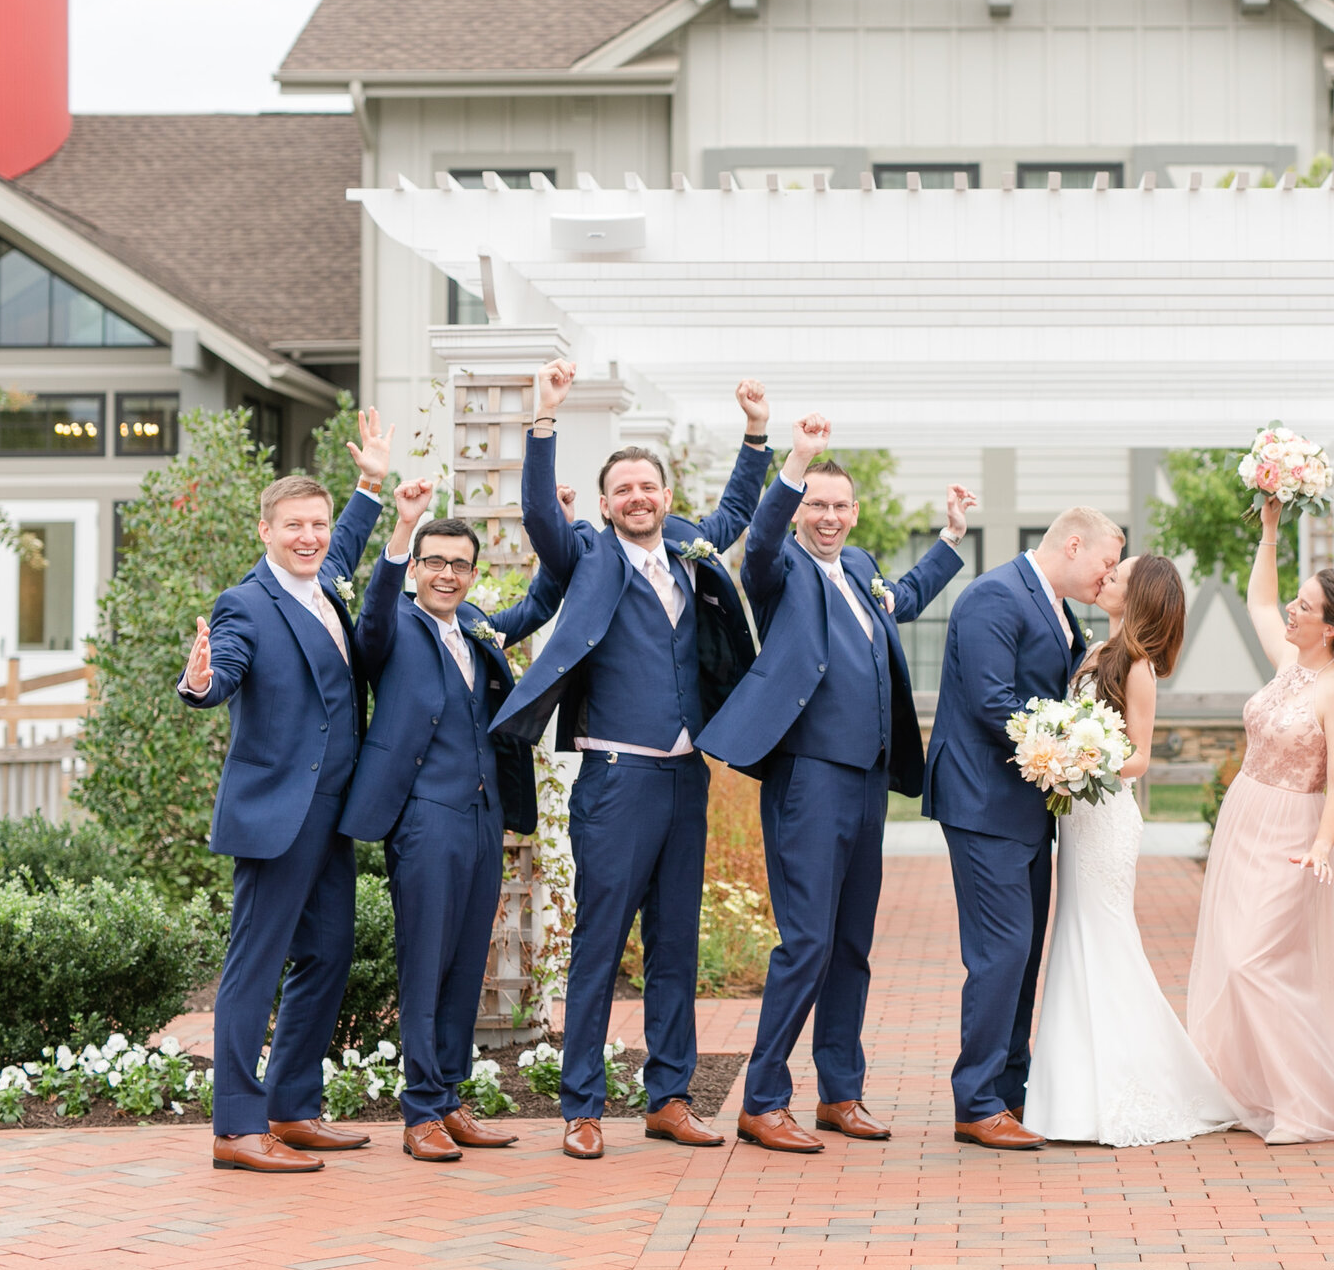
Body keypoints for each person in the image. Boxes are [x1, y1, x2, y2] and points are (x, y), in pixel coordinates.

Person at [499, 361, 775, 1160]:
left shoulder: (688, 546)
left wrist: (756, 434)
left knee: (675, 947)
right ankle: (581, 1105)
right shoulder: (585, 552)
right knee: (599, 944)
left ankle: (671, 1096)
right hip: (615, 781)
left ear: (663, 492)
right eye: (623, 488)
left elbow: (734, 510)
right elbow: (537, 519)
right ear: (609, 501)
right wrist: (543, 420)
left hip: (685, 777)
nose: (637, 497)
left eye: (648, 485)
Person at [700, 414, 975, 1154]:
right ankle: (762, 1099)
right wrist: (794, 461)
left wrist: (951, 539)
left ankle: (840, 1092)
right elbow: (756, 541)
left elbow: (904, 599)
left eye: (837, 506)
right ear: (799, 509)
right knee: (808, 940)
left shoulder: (858, 568)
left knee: (851, 943)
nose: (826, 517)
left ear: (853, 513)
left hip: (867, 782)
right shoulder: (778, 567)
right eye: (814, 504)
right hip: (807, 779)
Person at [179, 409, 391, 1173]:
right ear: (263, 530)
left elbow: (353, 542)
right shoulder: (246, 604)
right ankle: (237, 1126)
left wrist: (370, 482)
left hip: (332, 815)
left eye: (318, 523)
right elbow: (220, 669)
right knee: (255, 965)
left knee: (328, 954)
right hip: (276, 815)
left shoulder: (324, 583)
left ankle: (293, 1106)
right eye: (293, 524)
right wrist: (200, 679)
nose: (309, 535)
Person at [341, 454, 568, 1164]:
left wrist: (556, 532)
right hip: (422, 817)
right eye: (433, 562)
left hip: (480, 816)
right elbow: (372, 613)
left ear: (471, 573)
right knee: (426, 962)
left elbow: (535, 606)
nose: (446, 573)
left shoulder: (472, 623)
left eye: (458, 564)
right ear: (416, 568)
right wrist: (402, 528)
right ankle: (419, 1112)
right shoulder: (391, 625)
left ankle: (452, 1099)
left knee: (468, 963)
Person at [1026, 553, 1242, 1147]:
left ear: (1138, 594)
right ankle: (1070, 1094)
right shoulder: (1094, 650)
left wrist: (1082, 760)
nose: (1107, 577)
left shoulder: (1138, 667)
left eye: (1117, 575)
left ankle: (1118, 1090)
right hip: (1078, 817)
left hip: (1107, 818)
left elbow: (1142, 756)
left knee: (1104, 939)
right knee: (1074, 938)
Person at [924, 505, 1121, 1150]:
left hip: (1028, 807)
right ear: (1072, 544)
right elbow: (990, 701)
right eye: (1106, 561)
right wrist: (1074, 745)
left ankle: (1010, 1092)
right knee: (1000, 952)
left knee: (1024, 952)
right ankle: (976, 1101)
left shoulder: (1056, 607)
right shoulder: (993, 596)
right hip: (984, 803)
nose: (1109, 574)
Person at [1184, 498, 1334, 1144]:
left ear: (1332, 626)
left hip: (1295, 832)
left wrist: (1323, 846)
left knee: (1255, 963)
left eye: (1306, 605)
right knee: (1229, 958)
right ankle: (1244, 1091)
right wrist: (1268, 530)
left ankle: (1307, 1103)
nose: (1292, 610)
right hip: (1245, 818)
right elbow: (1259, 601)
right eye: (1297, 601)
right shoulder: (1290, 664)